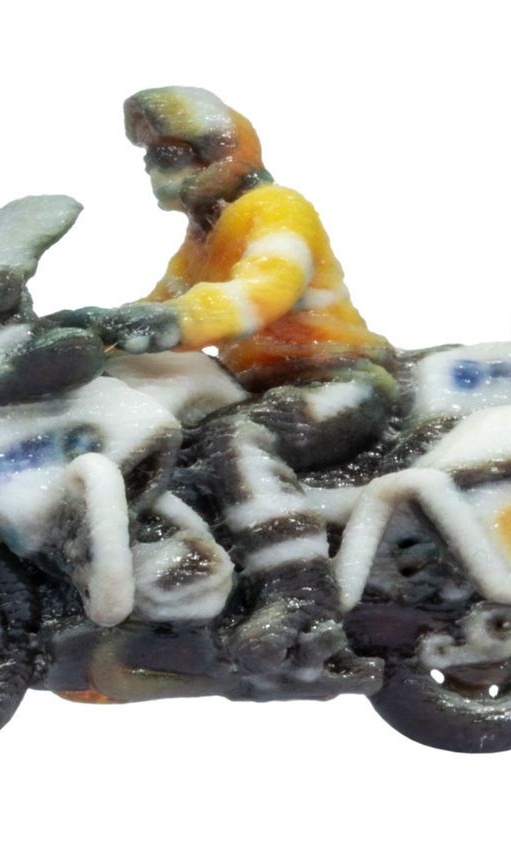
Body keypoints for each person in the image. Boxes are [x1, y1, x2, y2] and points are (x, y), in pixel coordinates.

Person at [58, 87, 395, 674]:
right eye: (151, 158)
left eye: (169, 155)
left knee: (238, 440)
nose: (154, 170)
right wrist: (90, 331)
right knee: (176, 445)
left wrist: (171, 323)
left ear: (220, 153)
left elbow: (264, 287)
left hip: (336, 378)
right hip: (259, 387)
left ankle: (301, 598)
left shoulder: (275, 209)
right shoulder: (202, 240)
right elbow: (162, 299)